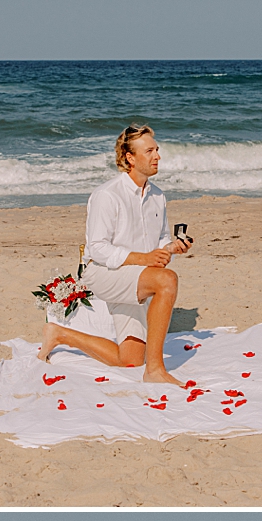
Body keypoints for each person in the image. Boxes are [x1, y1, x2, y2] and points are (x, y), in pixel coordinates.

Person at [41, 125, 192, 390]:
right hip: (104, 274)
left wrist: (172, 247)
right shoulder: (107, 195)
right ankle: (155, 370)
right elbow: (97, 248)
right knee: (167, 280)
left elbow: (161, 239)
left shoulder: (158, 195)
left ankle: (60, 334)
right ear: (129, 157)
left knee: (130, 360)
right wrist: (144, 258)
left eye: (157, 150)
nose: (157, 155)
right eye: (149, 151)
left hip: (136, 277)